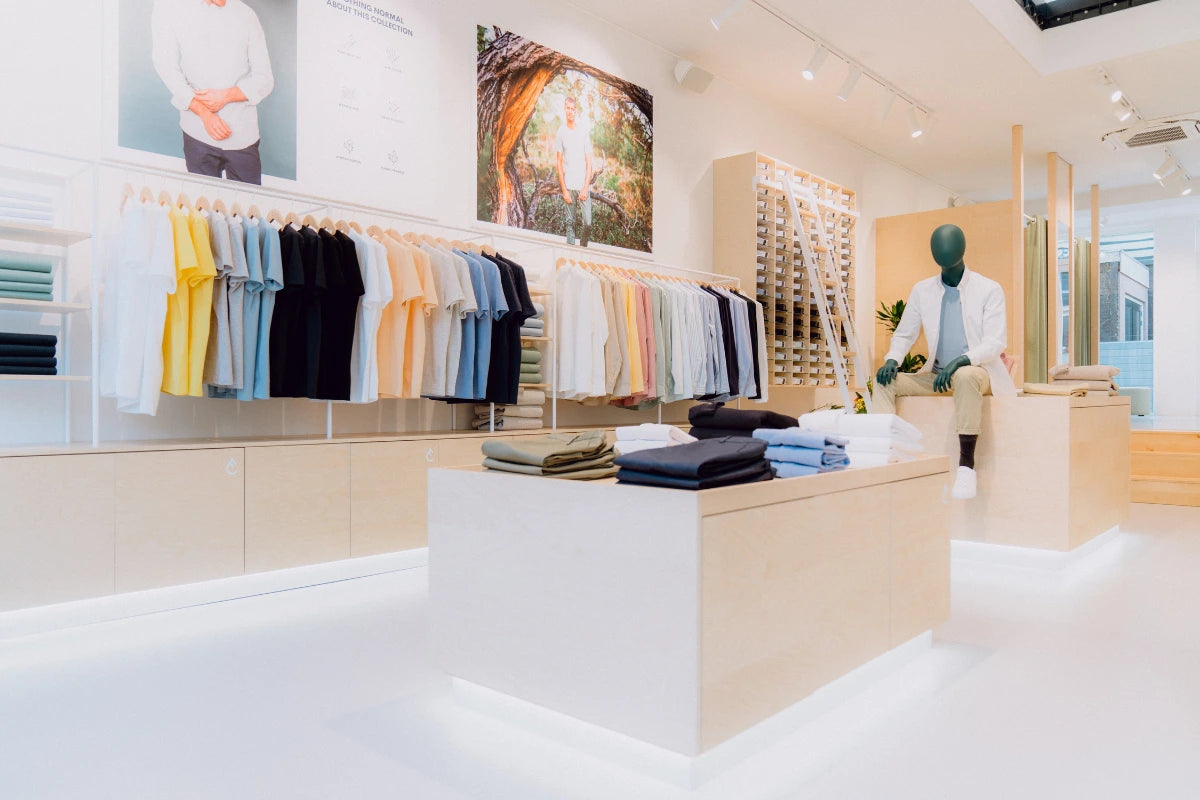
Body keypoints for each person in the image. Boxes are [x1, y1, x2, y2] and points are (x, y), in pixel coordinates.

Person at [871, 224, 1016, 500]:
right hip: (937, 376)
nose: (943, 252)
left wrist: (961, 361)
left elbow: (994, 343)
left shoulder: (988, 289)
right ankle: (884, 453)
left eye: (948, 246)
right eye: (938, 247)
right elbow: (904, 333)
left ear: (961, 249)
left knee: (965, 375)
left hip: (979, 374)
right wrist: (892, 360)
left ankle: (966, 466)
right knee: (883, 381)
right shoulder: (922, 290)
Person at [151, 0, 274, 185]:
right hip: (197, 131)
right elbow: (166, 67)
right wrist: (204, 114)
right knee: (202, 201)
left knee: (248, 202)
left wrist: (225, 96)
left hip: (241, 133)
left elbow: (264, 79)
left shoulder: (246, 15)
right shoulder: (170, 7)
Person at [554, 95, 594, 247]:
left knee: (587, 223)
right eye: (568, 108)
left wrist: (586, 187)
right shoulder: (561, 132)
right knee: (570, 224)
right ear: (564, 109)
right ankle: (570, 253)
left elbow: (589, 161)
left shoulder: (583, 132)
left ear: (576, 111)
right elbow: (558, 162)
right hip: (569, 186)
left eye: (572, 109)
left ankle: (583, 247)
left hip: (583, 186)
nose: (570, 111)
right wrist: (564, 190)